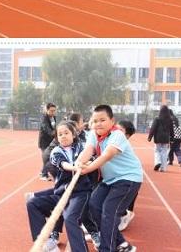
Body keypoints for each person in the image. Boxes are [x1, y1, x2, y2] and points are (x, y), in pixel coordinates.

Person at [76, 105, 142, 252]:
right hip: (110, 180)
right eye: (95, 120)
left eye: (102, 120)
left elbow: (107, 155)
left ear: (112, 121)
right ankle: (122, 244)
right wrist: (78, 162)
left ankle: (107, 248)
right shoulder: (93, 133)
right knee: (94, 204)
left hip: (128, 178)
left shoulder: (117, 135)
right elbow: (88, 150)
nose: (98, 123)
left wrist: (87, 169)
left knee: (109, 211)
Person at [26, 121, 92, 252]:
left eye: (66, 133)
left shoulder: (82, 147)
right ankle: (47, 242)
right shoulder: (56, 151)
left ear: (74, 134)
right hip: (61, 195)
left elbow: (91, 157)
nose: (63, 136)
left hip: (80, 194)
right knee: (32, 203)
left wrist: (87, 162)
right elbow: (63, 164)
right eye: (59, 134)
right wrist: (75, 166)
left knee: (70, 219)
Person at [117, 120, 138, 232]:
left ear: (127, 136)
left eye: (120, 130)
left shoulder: (122, 145)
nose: (116, 132)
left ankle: (124, 214)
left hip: (128, 180)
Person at [148, 105, 174, 172]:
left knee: (157, 151)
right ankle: (163, 168)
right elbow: (172, 130)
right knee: (164, 152)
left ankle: (158, 162)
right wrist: (172, 138)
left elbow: (153, 128)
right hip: (166, 138)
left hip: (158, 137)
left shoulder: (157, 118)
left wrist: (150, 137)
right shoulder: (170, 119)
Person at [38, 103, 57, 181]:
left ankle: (43, 171)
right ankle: (43, 174)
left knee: (48, 157)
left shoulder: (54, 118)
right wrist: (55, 133)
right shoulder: (44, 118)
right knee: (46, 158)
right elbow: (47, 130)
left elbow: (54, 127)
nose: (53, 112)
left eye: (54, 111)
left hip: (50, 142)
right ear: (47, 110)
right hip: (44, 142)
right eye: (51, 111)